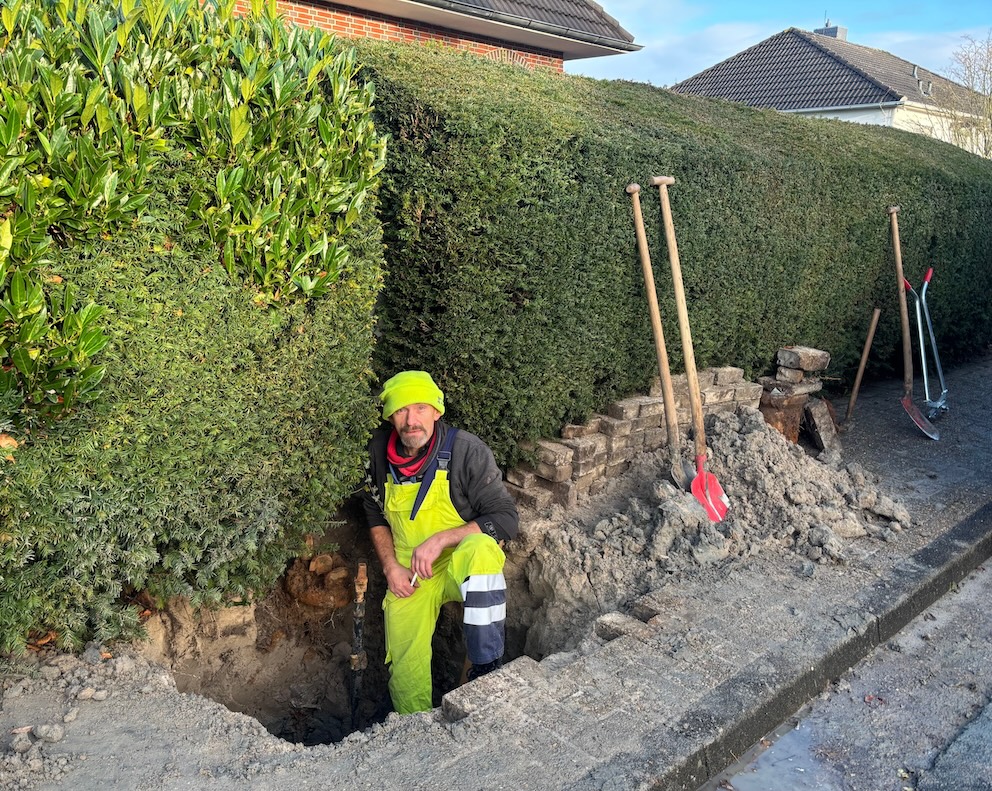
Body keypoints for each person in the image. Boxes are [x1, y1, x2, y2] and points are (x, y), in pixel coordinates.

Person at [362, 370, 519, 714]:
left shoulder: (466, 452)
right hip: (409, 574)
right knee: (404, 668)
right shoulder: (377, 452)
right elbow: (374, 512)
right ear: (390, 416)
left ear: (437, 411)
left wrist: (441, 540)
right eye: (402, 410)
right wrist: (390, 568)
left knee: (482, 549)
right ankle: (414, 729)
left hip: (457, 565)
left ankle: (485, 666)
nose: (411, 420)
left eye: (420, 408)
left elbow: (506, 519)